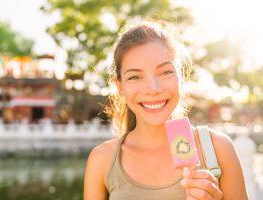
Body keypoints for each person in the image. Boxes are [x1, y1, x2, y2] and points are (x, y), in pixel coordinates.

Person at [84, 20, 248, 200]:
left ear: (181, 75)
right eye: (135, 77)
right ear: (120, 86)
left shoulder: (218, 149)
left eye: (165, 72)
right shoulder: (102, 160)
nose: (153, 88)